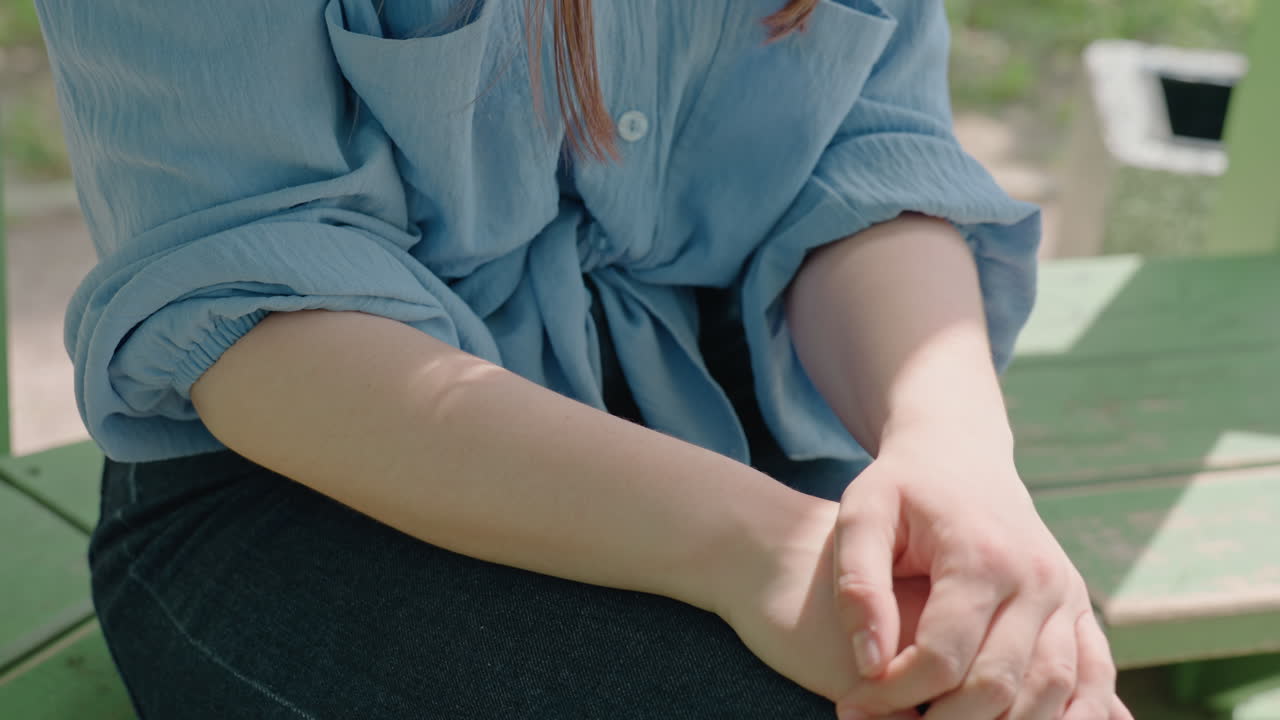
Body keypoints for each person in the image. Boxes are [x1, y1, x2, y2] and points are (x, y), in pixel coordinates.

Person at [36, 0, 1132, 717]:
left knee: (1013, 687)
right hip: (314, 475)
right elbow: (252, 311)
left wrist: (955, 457)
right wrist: (758, 547)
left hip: (730, 395)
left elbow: (858, 145)